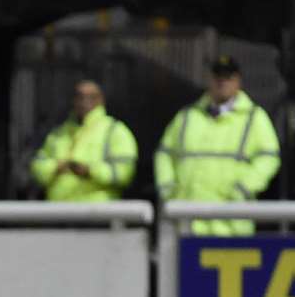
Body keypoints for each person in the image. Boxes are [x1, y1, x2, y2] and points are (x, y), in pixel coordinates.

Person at [154, 55, 280, 236]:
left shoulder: (254, 117)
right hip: (187, 224)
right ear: (209, 80)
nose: (222, 82)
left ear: (238, 81)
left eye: (228, 77)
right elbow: (164, 153)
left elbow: (269, 158)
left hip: (230, 226)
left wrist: (243, 189)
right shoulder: (187, 115)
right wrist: (168, 189)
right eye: (218, 77)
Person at [28, 79, 138, 202]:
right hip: (59, 211)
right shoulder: (58, 133)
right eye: (79, 96)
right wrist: (57, 167)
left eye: (91, 97)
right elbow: (37, 166)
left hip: (98, 212)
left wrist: (89, 171)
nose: (84, 102)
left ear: (101, 100)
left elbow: (124, 173)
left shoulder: (114, 131)